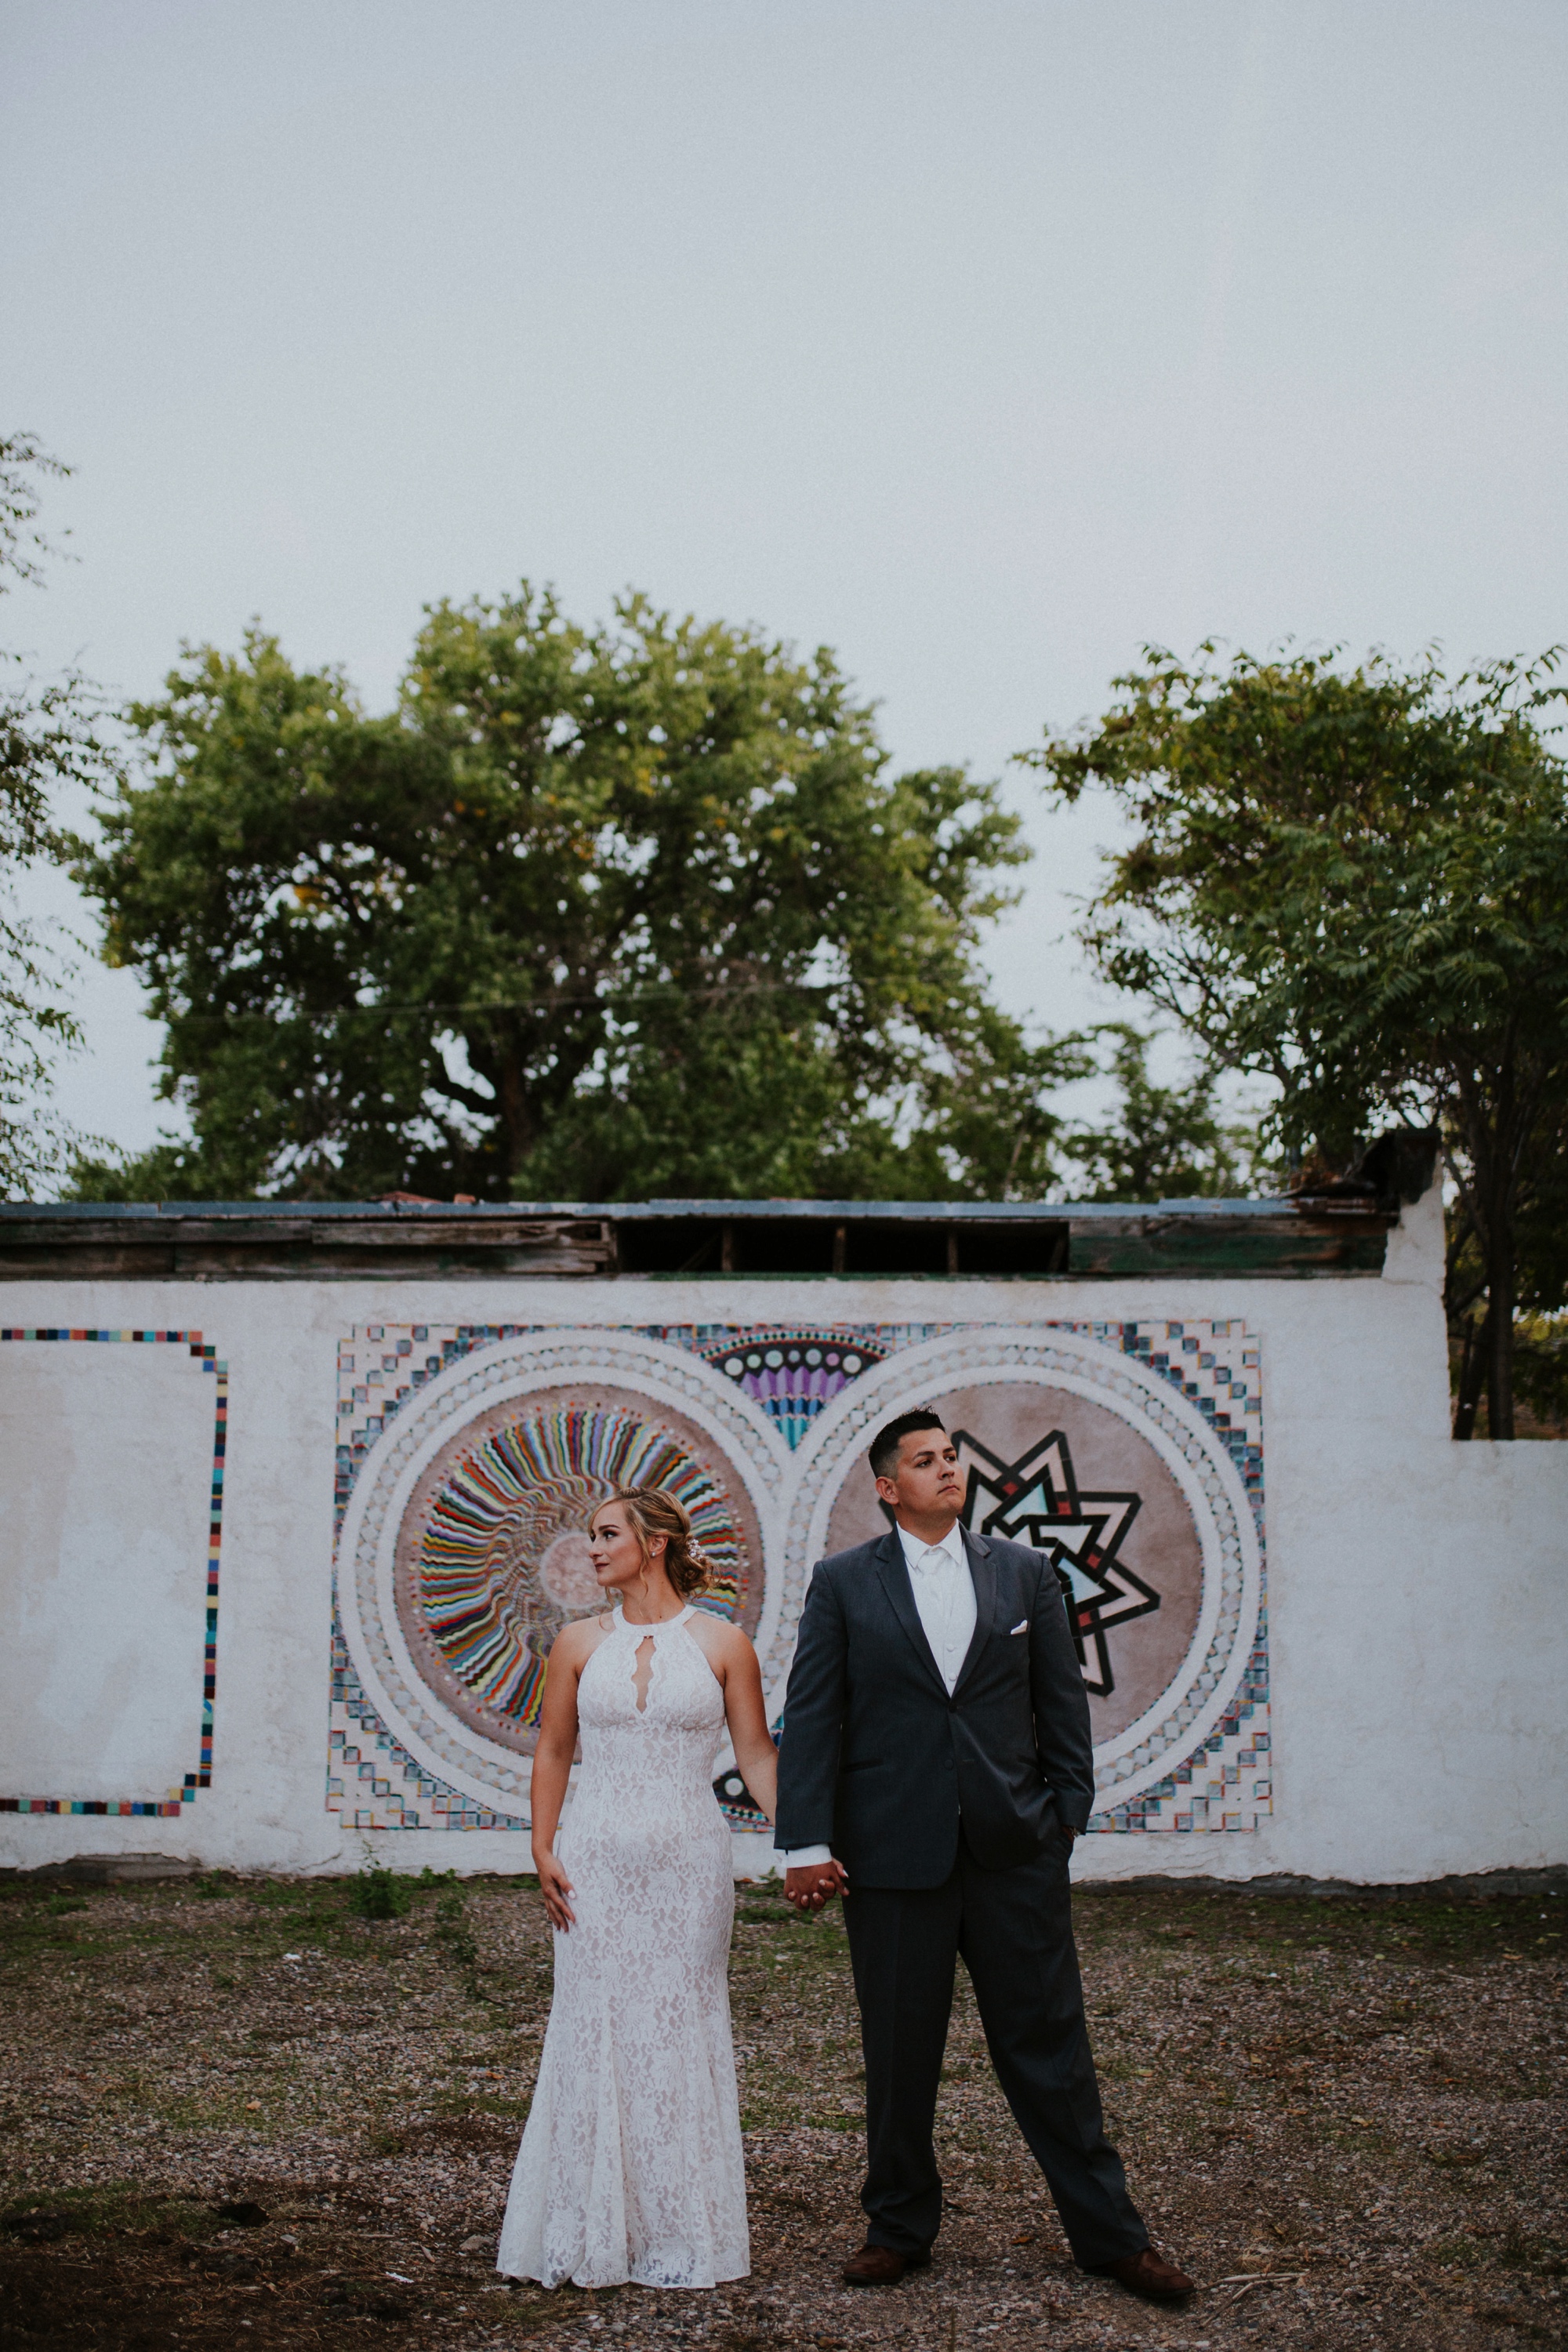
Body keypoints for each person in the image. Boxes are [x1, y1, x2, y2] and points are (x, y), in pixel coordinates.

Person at [774, 1410, 1193, 2305]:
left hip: (1012, 1854)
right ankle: (897, 2227)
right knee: (897, 2054)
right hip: (890, 1860)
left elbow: (1060, 1702)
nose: (946, 1469)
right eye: (924, 1462)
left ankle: (1110, 2237)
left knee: (1050, 2049)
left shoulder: (1027, 1573)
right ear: (888, 1488)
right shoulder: (842, 1584)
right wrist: (806, 1843)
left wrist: (1062, 1818)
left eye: (951, 1457)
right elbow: (812, 1716)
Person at [497, 1486, 779, 2292]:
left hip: (689, 1866)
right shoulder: (576, 1643)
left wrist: (807, 1839)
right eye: (592, 1535)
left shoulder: (724, 1644)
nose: (592, 1548)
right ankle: (586, 2226)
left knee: (676, 2024)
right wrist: (541, 1845)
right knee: (593, 2024)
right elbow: (553, 1751)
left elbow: (756, 1756)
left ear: (653, 1542)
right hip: (595, 1863)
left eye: (607, 1533)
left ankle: (678, 2232)